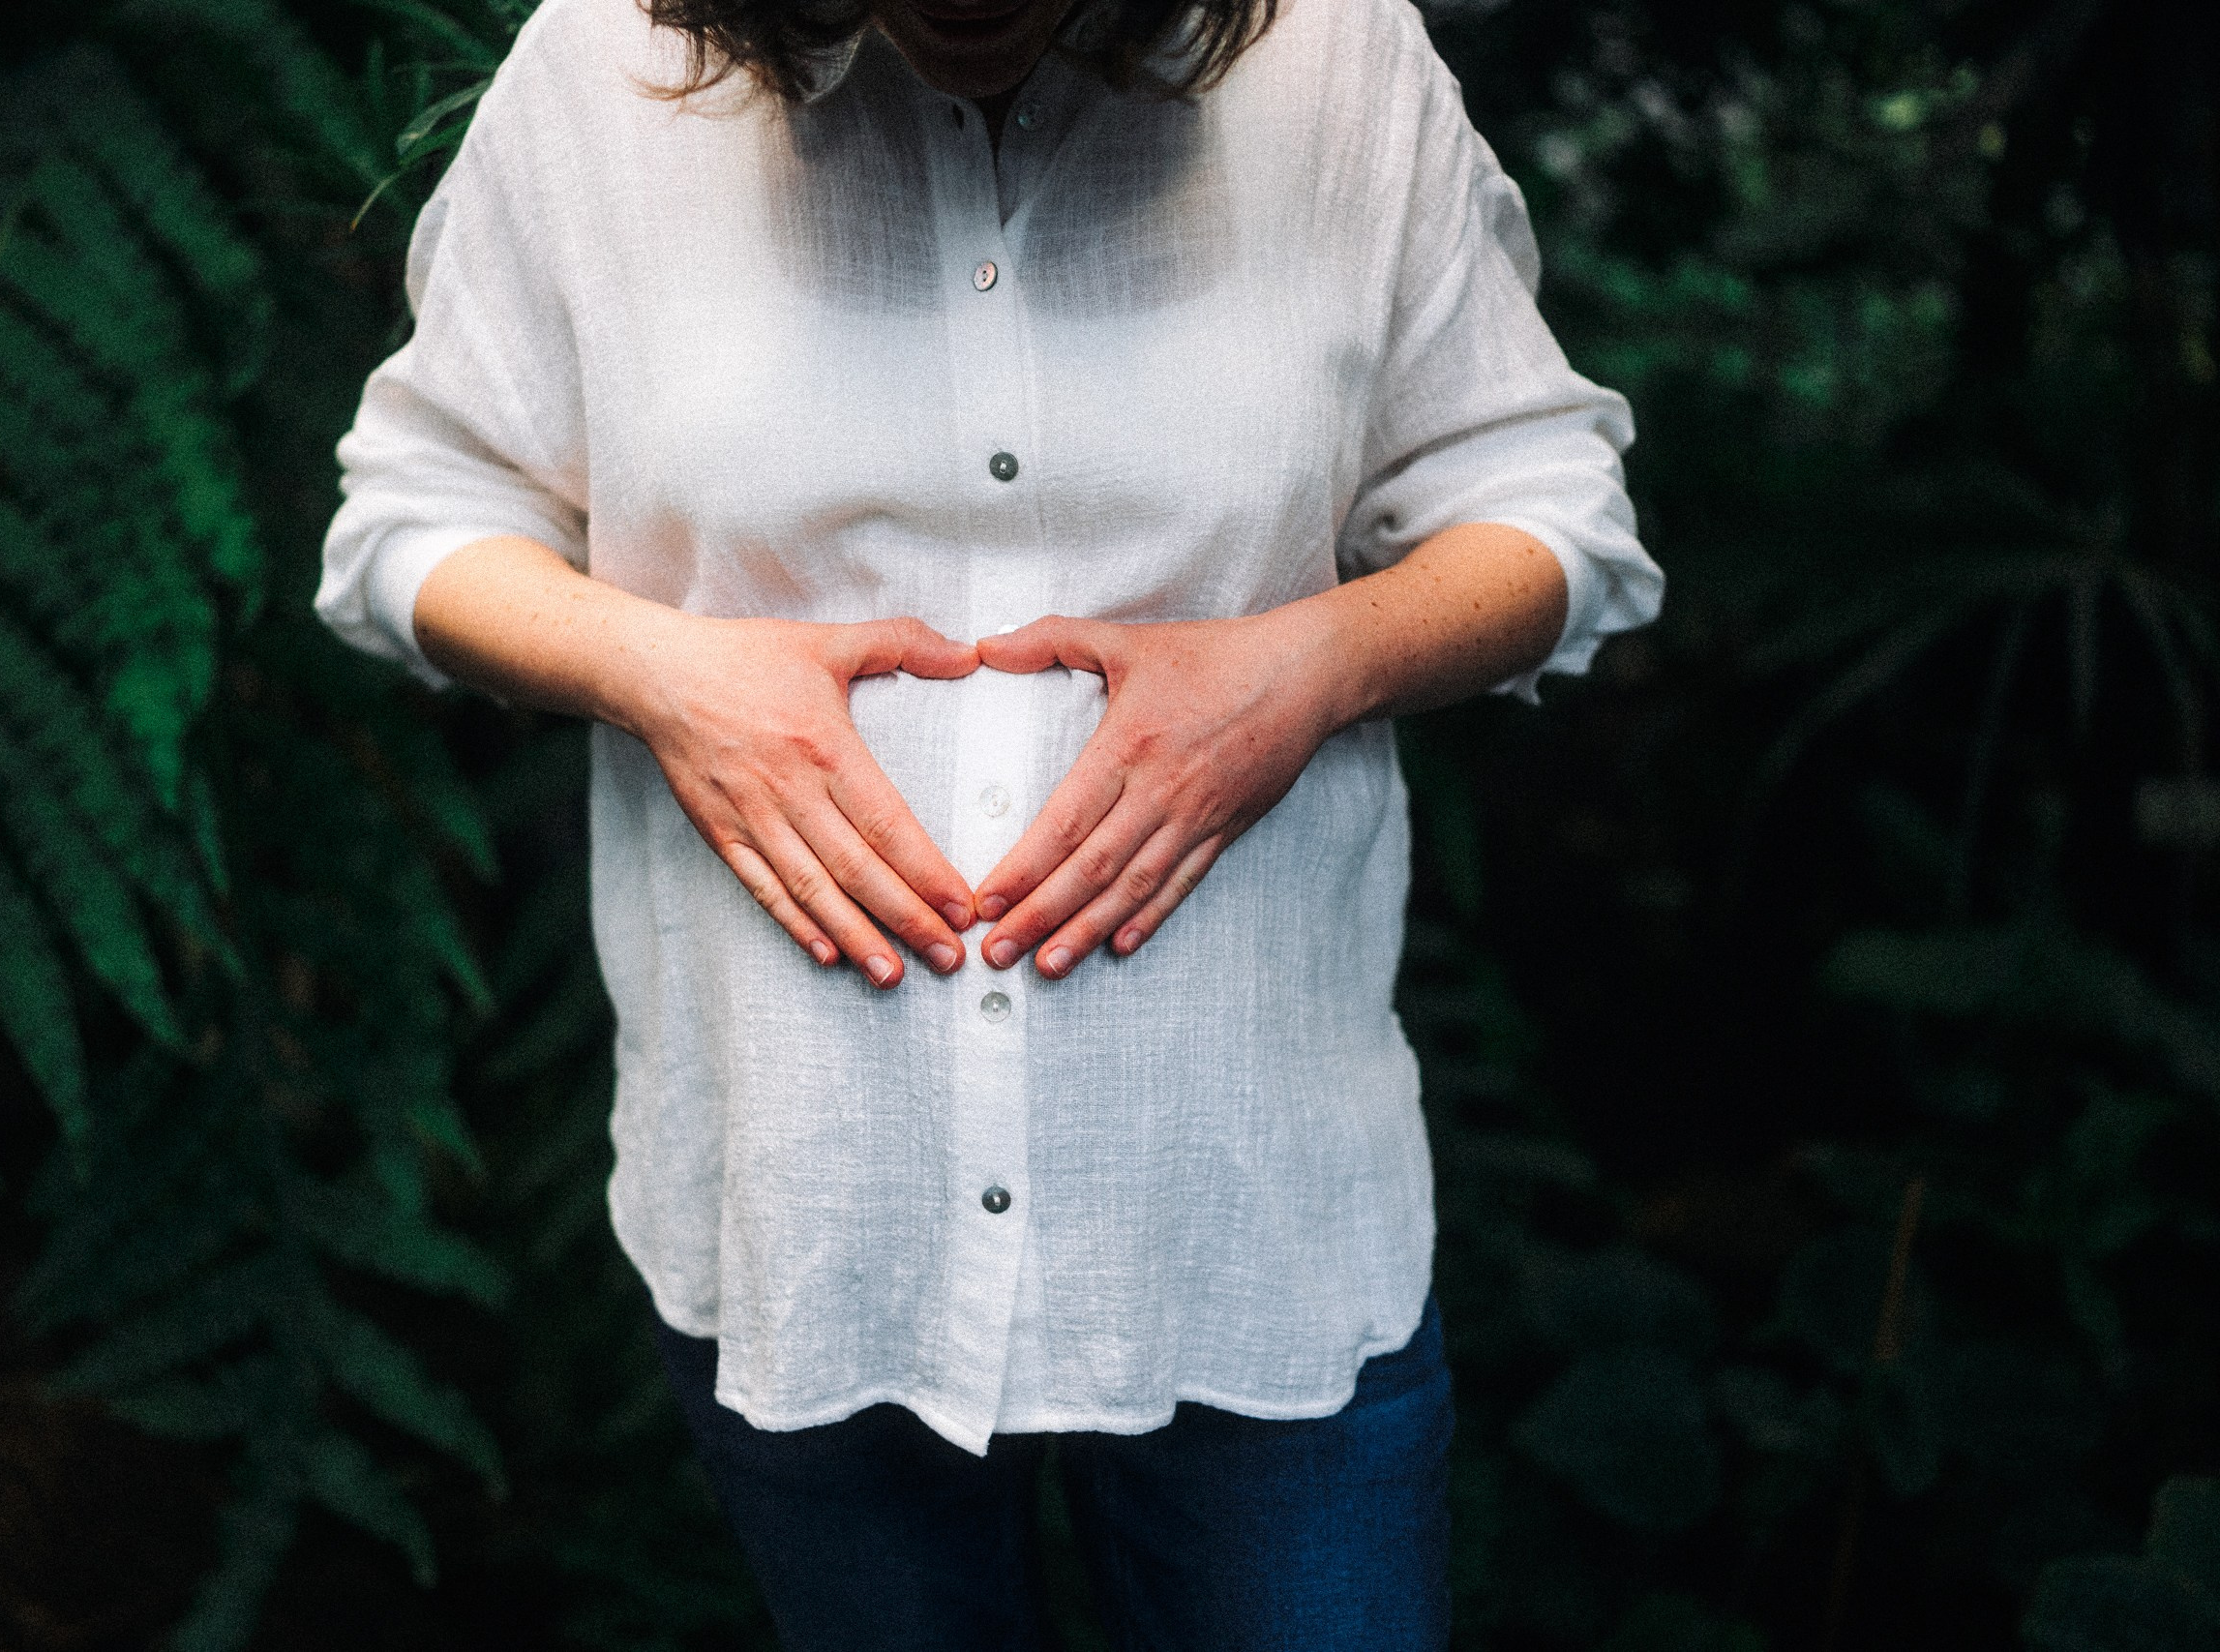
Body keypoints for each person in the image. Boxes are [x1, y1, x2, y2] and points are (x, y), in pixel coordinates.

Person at [316, 0, 1662, 1634]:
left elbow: (1551, 511)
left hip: (1248, 1210)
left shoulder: (1340, 57)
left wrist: (1311, 663)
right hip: (816, 1210)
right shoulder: (601, 71)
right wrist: (666, 674)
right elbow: (412, 516)